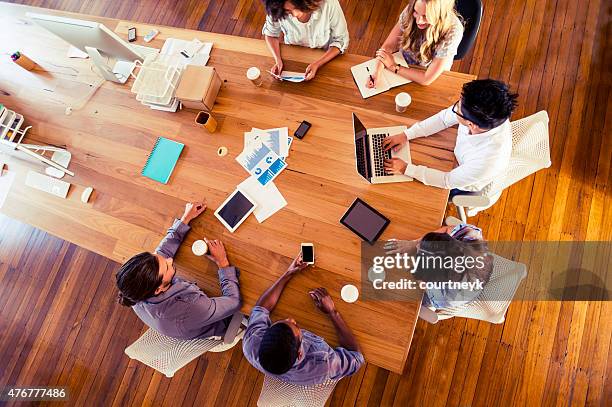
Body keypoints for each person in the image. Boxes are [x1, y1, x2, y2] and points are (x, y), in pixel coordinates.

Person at [115, 201, 241, 340]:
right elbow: (234, 302)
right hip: (221, 323)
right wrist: (222, 262)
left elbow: (162, 252)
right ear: (158, 289)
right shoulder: (191, 307)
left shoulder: (135, 291)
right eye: (167, 266)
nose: (169, 260)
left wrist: (185, 219)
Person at [242, 253, 364, 385]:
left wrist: (288, 273)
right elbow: (356, 357)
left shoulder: (251, 344)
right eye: (296, 326)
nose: (291, 319)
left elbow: (261, 309)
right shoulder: (322, 365)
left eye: (284, 321)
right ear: (300, 353)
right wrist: (332, 312)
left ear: (264, 335)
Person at [383, 79, 518, 193]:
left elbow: (446, 181)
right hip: (458, 159)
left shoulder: (487, 161)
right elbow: (443, 119)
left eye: (458, 109)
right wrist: (407, 134)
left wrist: (405, 168)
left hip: (461, 182)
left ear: (471, 125)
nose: (455, 108)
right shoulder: (481, 116)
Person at [385, 223, 493, 308]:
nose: (419, 246)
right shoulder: (470, 235)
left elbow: (423, 285)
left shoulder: (446, 297)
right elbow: (446, 230)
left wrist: (410, 265)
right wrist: (414, 243)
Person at [367, 0, 463, 87]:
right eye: (416, 12)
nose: (419, 21)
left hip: (429, 72)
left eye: (426, 16)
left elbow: (426, 79)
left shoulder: (453, 31)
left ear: (439, 15)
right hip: (402, 62)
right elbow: (389, 46)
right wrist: (377, 72)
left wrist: (393, 67)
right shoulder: (412, 9)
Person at [263, 0, 349, 81]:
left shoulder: (329, 4)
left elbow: (340, 40)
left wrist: (318, 64)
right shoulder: (276, 6)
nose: (295, 14)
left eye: (298, 7)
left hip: (325, 56)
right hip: (293, 58)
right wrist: (277, 60)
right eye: (288, 11)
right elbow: (271, 34)